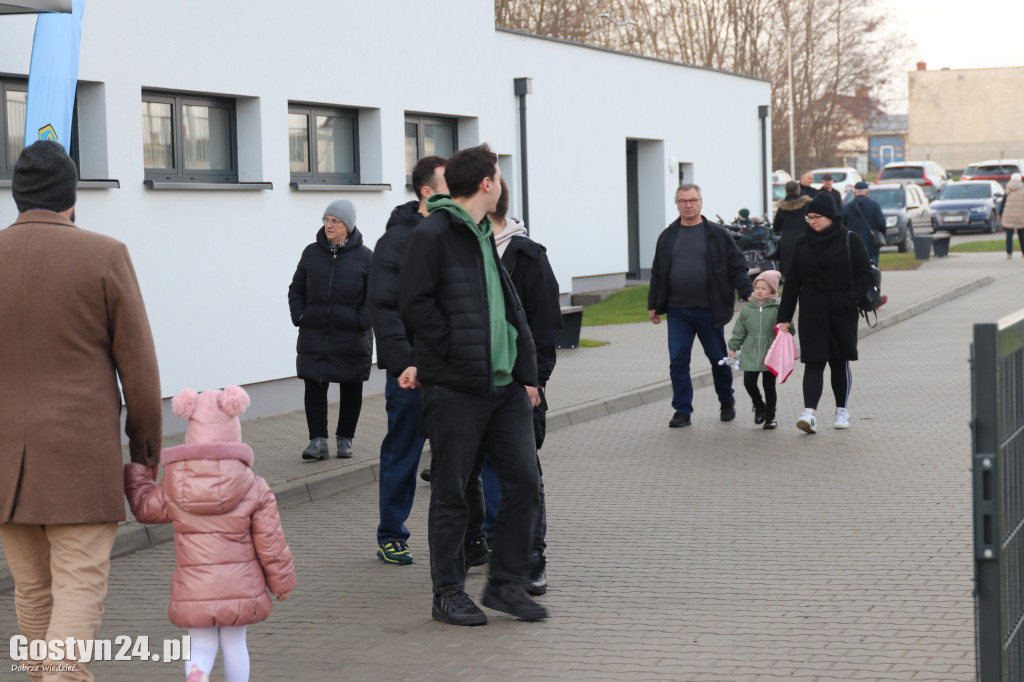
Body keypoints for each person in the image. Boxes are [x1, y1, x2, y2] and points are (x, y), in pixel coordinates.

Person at [0, 140, 163, 681]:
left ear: (18, 196)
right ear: (72, 197)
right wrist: (145, 456)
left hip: (5, 467)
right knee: (78, 586)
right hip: (79, 458)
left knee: (33, 588)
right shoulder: (104, 254)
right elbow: (138, 370)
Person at [398, 143, 546, 626]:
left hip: (503, 390)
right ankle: (448, 593)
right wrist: (457, 354)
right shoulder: (433, 232)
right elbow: (415, 303)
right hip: (456, 389)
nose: (501, 183)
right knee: (453, 492)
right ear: (486, 183)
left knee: (524, 482)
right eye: (498, 176)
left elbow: (505, 308)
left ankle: (506, 584)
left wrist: (525, 373)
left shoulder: (485, 232)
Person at [125, 386, 296, 682]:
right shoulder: (254, 485)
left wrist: (138, 473)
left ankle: (197, 673)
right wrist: (282, 581)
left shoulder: (174, 484)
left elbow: (144, 509)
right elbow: (271, 541)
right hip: (240, 584)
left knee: (201, 643)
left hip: (194, 585)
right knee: (234, 643)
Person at [471, 179, 562, 595]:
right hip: (472, 387)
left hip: (520, 388)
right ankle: (483, 548)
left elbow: (544, 329)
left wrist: (534, 381)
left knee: (525, 477)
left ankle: (532, 557)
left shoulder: (528, 256)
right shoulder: (466, 250)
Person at [368, 155, 447, 565]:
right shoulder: (395, 242)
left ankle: (469, 538)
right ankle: (391, 534)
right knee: (403, 452)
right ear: (427, 192)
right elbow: (384, 306)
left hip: (452, 368)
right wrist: (404, 364)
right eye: (450, 186)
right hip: (411, 372)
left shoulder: (455, 233)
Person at [648, 183, 753, 428]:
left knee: (718, 359)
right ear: (677, 204)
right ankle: (682, 410)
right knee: (678, 360)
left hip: (709, 309)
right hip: (678, 311)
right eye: (683, 201)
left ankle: (726, 400)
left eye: (692, 200)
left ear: (701, 202)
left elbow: (737, 265)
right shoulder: (668, 236)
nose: (688, 205)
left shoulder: (717, 234)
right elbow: (657, 273)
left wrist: (747, 291)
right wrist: (653, 304)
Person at [777, 192, 874, 434]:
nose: (812, 221)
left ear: (831, 217)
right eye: (809, 217)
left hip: (842, 310)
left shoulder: (850, 240)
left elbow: (865, 275)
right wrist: (783, 318)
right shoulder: (802, 242)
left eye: (817, 217)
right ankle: (809, 413)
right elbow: (792, 283)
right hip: (812, 310)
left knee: (839, 362)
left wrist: (849, 299)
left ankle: (842, 409)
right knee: (813, 361)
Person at [288, 199, 374, 461]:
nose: (329, 225)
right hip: (315, 333)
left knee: (351, 386)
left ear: (348, 225)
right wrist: (300, 315)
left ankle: (345, 440)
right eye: (326, 220)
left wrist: (361, 321)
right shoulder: (311, 253)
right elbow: (296, 289)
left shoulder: (366, 257)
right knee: (314, 384)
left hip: (352, 336)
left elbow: (375, 297)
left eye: (335, 221)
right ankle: (317, 441)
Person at [727, 270, 784, 430]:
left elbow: (788, 329)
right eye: (757, 287)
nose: (759, 291)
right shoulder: (748, 309)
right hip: (750, 352)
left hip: (769, 353)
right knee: (749, 383)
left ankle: (770, 417)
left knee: (769, 386)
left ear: (772, 290)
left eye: (763, 288)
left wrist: (786, 327)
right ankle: (759, 405)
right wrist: (733, 347)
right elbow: (739, 331)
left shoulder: (777, 309)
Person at [842, 181, 886, 266]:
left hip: (852, 246)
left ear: (854, 193)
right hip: (871, 245)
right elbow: (881, 224)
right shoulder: (874, 206)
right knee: (873, 271)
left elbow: (842, 226)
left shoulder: (846, 208)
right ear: (867, 192)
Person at [773, 180, 812, 277]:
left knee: (788, 272)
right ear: (798, 190)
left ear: (786, 191)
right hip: (804, 239)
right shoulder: (807, 204)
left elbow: (776, 226)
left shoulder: (782, 207)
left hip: (786, 242)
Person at [999, 172, 1024, 259]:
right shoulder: (1022, 188)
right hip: (1021, 216)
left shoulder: (1008, 188)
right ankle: (1023, 252)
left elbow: (1003, 202)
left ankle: (1009, 253)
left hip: (1008, 215)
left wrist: (1000, 213)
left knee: (1009, 235)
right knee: (1022, 235)